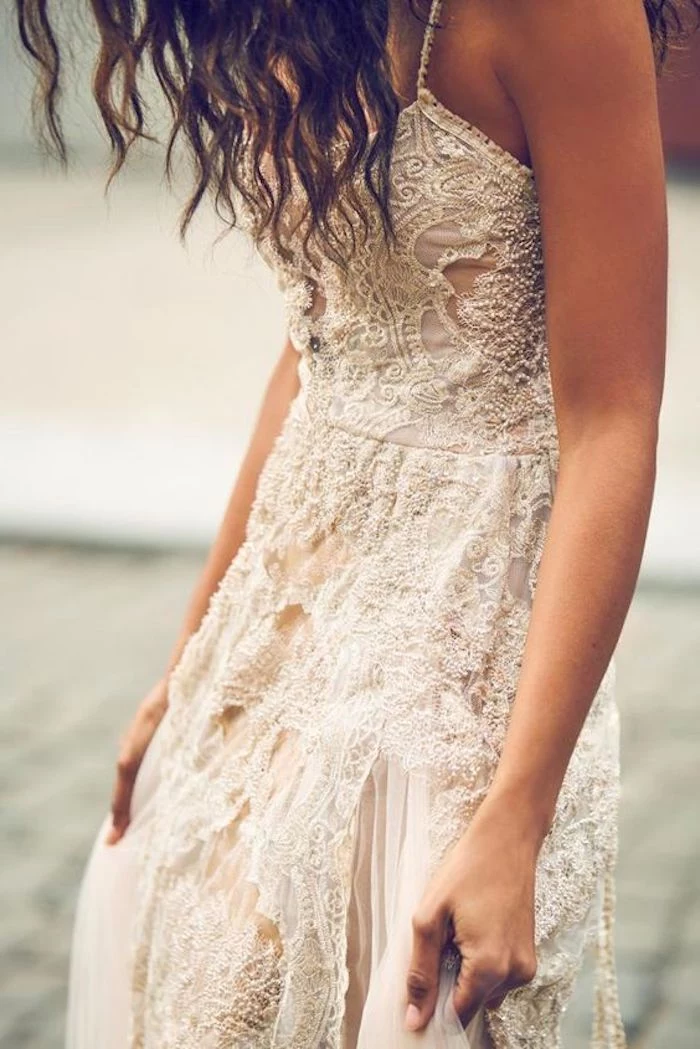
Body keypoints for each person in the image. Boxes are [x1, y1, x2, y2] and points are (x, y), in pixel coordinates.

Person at [15, 0, 695, 1045]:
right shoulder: (291, 16)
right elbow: (319, 347)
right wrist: (190, 660)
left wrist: (517, 810)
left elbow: (612, 419)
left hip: (459, 645)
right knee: (208, 977)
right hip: (293, 600)